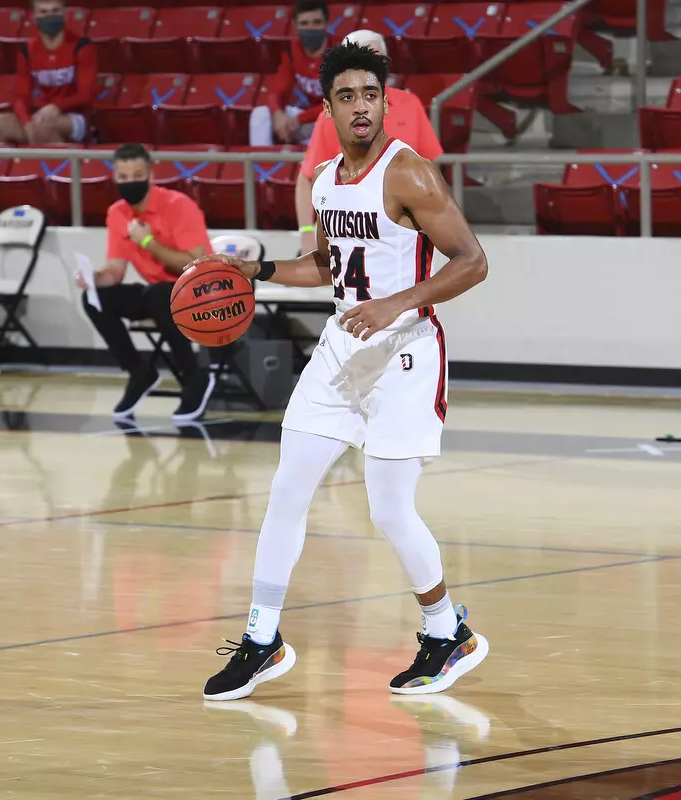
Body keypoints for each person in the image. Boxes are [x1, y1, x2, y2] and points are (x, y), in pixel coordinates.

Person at [197, 42, 488, 701]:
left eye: (371, 94)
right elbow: (327, 270)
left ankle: (448, 633)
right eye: (347, 96)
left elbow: (472, 260)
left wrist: (395, 303)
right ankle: (263, 639)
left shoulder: (408, 173)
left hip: (406, 352)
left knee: (388, 509)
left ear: (386, 101)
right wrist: (262, 271)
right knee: (286, 490)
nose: (361, 106)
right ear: (326, 108)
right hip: (339, 348)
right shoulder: (326, 179)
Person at [76, 143, 216, 422]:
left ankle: (195, 376)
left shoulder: (178, 206)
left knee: (158, 295)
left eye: (137, 175)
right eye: (123, 177)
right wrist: (93, 279)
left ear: (151, 176)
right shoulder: (117, 213)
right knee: (97, 300)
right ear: (115, 178)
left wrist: (149, 243)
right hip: (158, 293)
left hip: (200, 290)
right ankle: (139, 371)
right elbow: (115, 271)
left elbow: (198, 265)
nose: (130, 183)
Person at [294, 29, 442, 254]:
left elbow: (431, 169)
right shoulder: (333, 114)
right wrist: (306, 231)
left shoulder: (410, 104)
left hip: (403, 237)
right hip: (349, 236)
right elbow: (307, 179)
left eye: (376, 58)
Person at [0, 0, 96, 145]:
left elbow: (86, 94)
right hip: (42, 115)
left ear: (65, 14)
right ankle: (15, 167)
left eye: (55, 11)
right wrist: (26, 123)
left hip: (76, 118)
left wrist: (56, 106)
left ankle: (63, 166)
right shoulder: (27, 50)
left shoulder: (82, 46)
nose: (50, 16)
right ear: (34, 17)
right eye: (44, 12)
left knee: (44, 126)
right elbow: (21, 97)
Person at [248, 0, 334, 148]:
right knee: (261, 115)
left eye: (316, 22)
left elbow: (339, 102)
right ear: (295, 26)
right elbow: (278, 90)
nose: (311, 28)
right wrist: (278, 114)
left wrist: (300, 119)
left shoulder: (343, 53)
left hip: (335, 119)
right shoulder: (293, 51)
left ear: (327, 24)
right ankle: (263, 166)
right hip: (309, 119)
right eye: (304, 23)